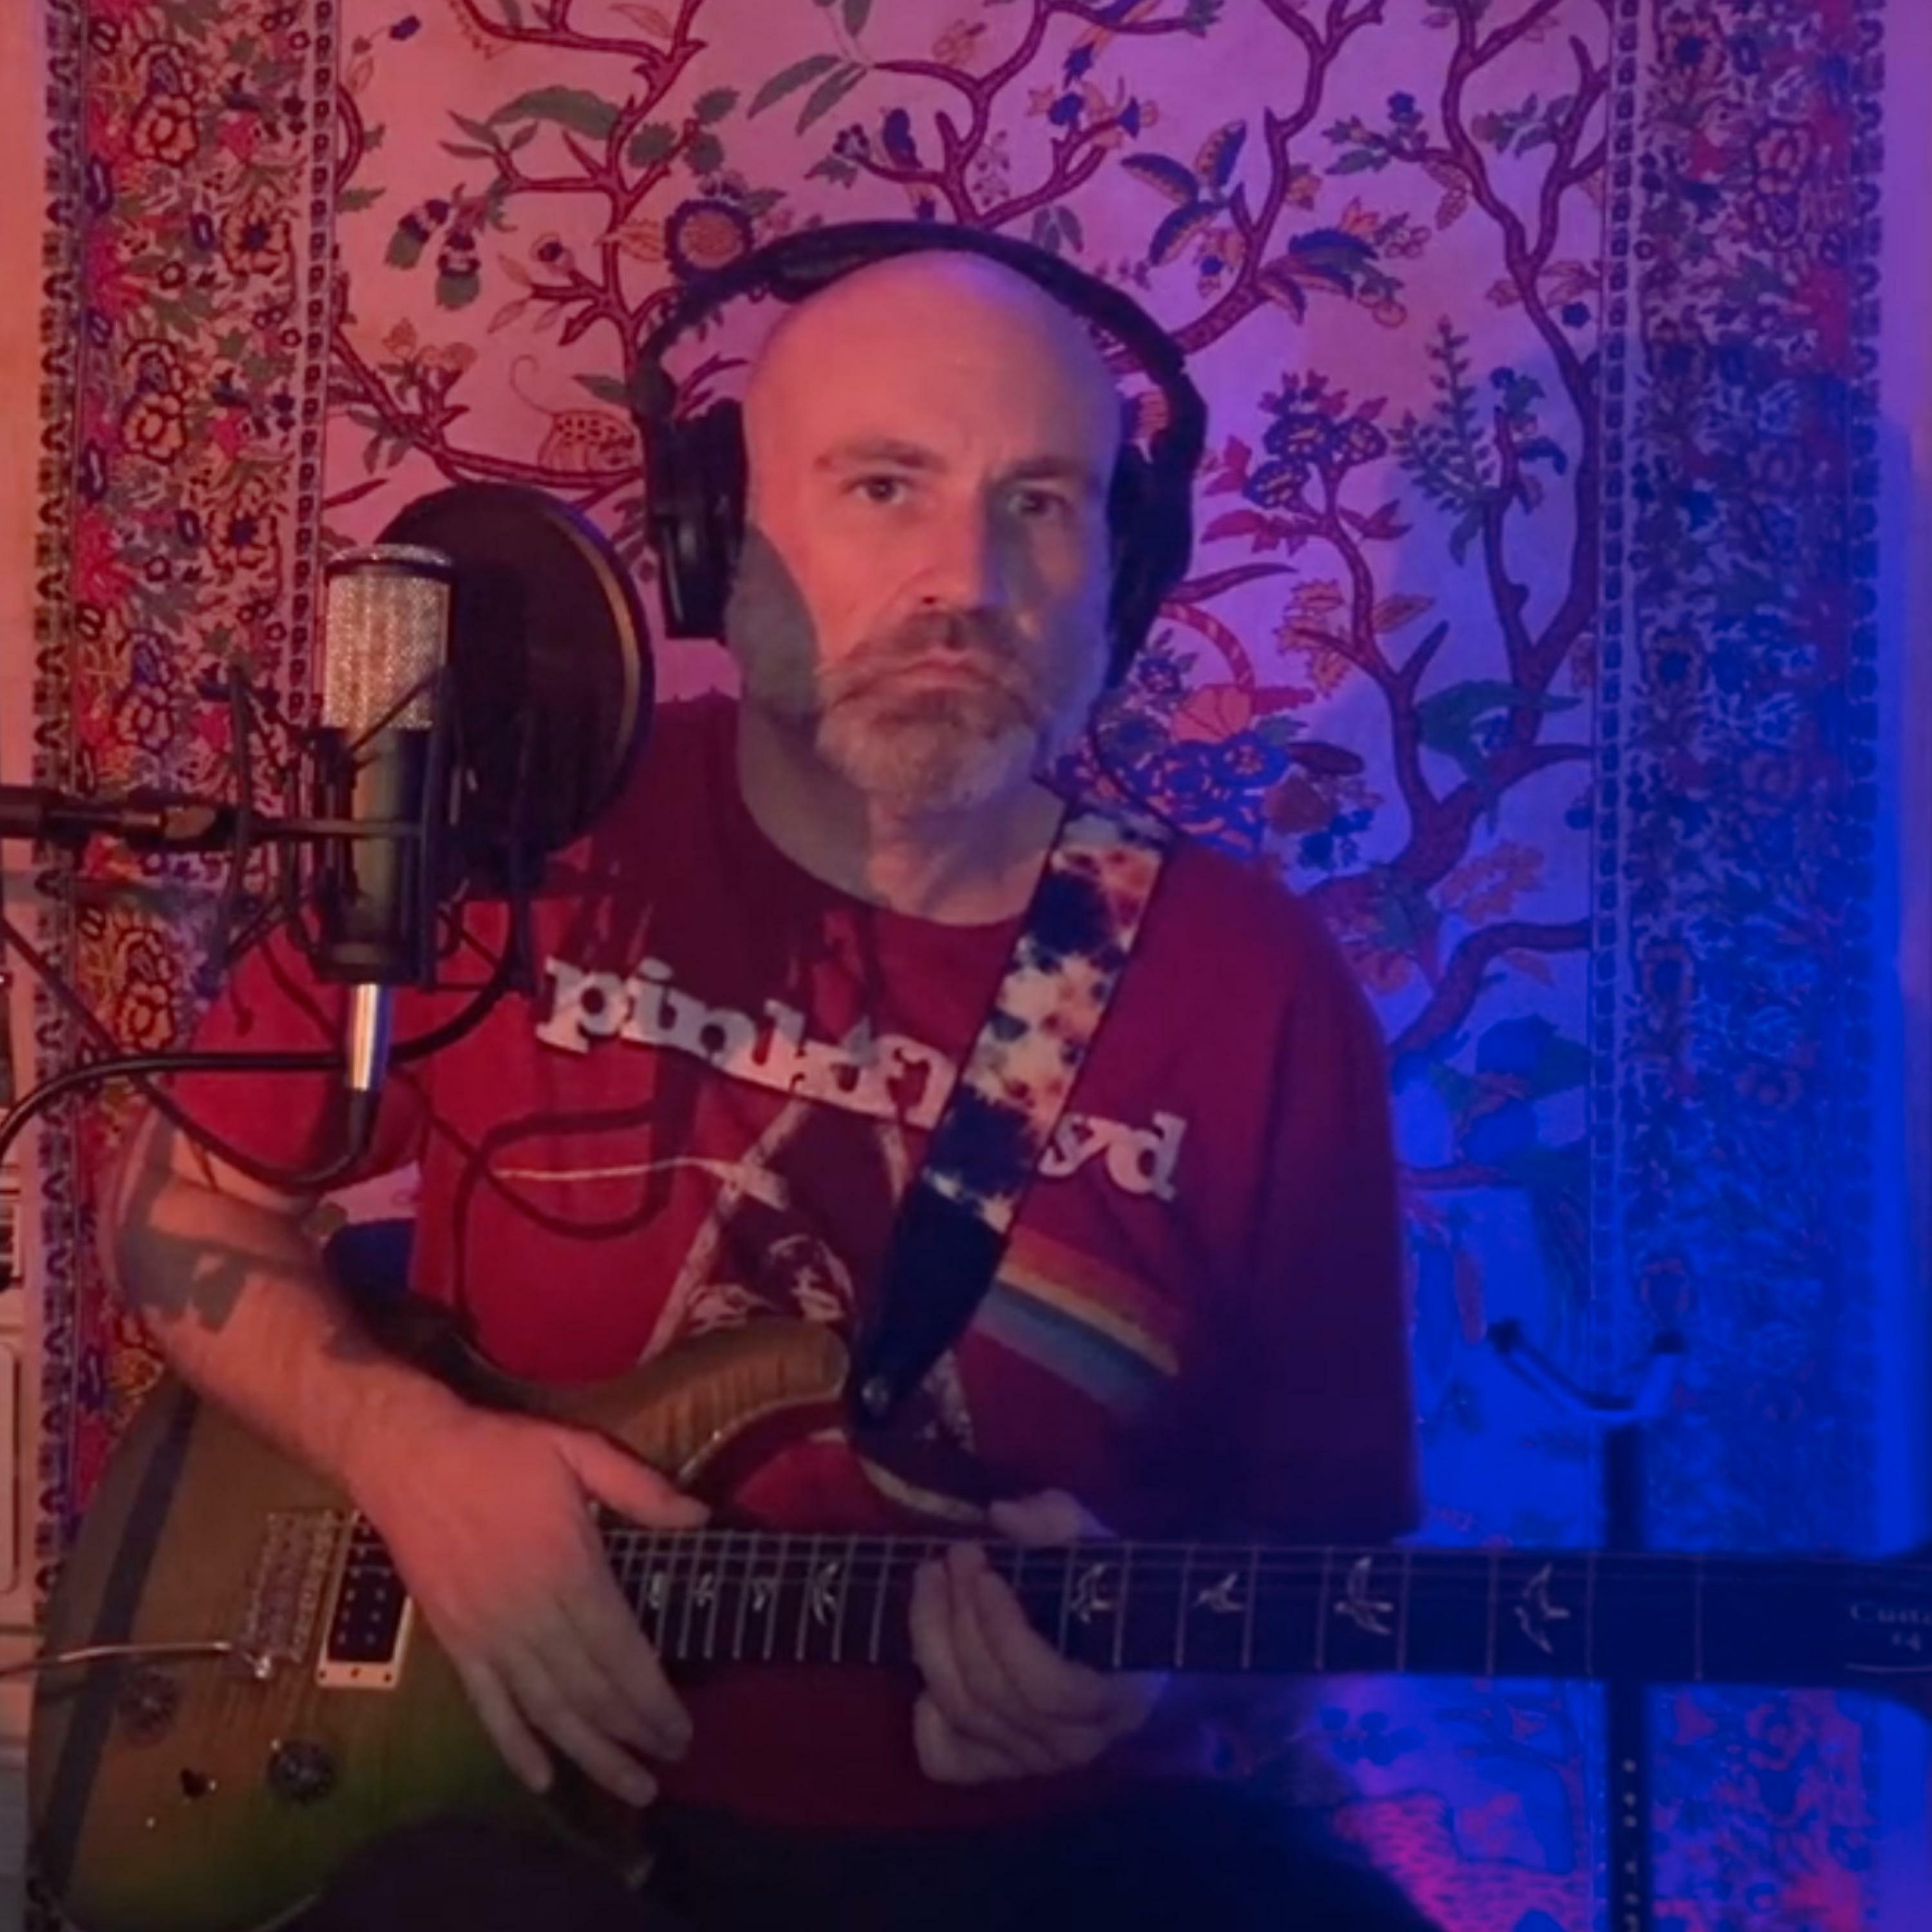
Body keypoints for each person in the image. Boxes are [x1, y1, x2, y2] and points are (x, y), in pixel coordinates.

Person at [105, 237, 1434, 1929]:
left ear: (1122, 568)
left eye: (1038, 504)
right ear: (715, 542)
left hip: (1042, 1864)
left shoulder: (1255, 990)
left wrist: (1160, 1679)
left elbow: (1326, 1574)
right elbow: (178, 1207)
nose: (965, 581)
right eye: (885, 486)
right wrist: (404, 1447)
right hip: (512, 1818)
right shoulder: (521, 838)